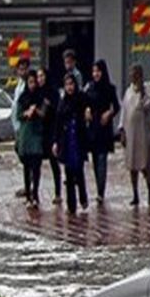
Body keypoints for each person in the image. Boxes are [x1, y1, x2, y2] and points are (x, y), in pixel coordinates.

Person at [84, 59, 120, 204]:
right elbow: (84, 103)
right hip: (93, 128)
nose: (95, 74)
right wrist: (86, 110)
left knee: (102, 160)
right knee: (94, 160)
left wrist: (109, 114)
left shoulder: (110, 88)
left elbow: (116, 106)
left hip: (104, 128)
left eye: (98, 71)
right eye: (94, 71)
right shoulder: (89, 88)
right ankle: (99, 188)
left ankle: (101, 192)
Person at [53, 73, 90, 215]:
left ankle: (83, 197)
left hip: (78, 139)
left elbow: (89, 105)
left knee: (79, 171)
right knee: (68, 174)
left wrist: (87, 112)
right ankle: (71, 205)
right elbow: (58, 122)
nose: (69, 87)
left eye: (71, 84)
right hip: (67, 140)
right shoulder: (63, 102)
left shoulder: (81, 98)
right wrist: (56, 142)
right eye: (67, 85)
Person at [119, 64, 150, 207]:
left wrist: (141, 93)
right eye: (131, 74)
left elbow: (146, 105)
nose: (132, 76)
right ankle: (135, 195)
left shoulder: (147, 91)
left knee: (145, 165)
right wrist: (122, 130)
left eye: (135, 74)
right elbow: (124, 111)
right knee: (132, 165)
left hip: (143, 134)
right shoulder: (128, 92)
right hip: (130, 134)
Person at [16, 71, 46, 208]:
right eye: (30, 82)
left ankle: (36, 193)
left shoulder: (41, 97)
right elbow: (18, 115)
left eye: (34, 82)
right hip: (26, 135)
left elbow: (44, 114)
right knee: (27, 167)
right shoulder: (22, 98)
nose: (32, 85)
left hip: (37, 135)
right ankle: (28, 195)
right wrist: (27, 113)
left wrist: (37, 111)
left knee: (36, 167)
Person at [36, 68, 63, 204]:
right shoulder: (36, 92)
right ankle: (34, 192)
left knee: (54, 162)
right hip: (39, 132)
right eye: (38, 76)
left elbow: (56, 110)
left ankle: (58, 192)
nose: (39, 79)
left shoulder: (53, 92)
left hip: (51, 131)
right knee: (36, 163)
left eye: (42, 76)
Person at [11, 55, 32, 198]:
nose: (22, 72)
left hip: (24, 125)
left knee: (25, 154)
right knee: (20, 151)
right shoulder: (19, 84)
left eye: (24, 69)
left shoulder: (29, 85)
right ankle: (27, 183)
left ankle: (29, 185)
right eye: (20, 69)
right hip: (17, 126)